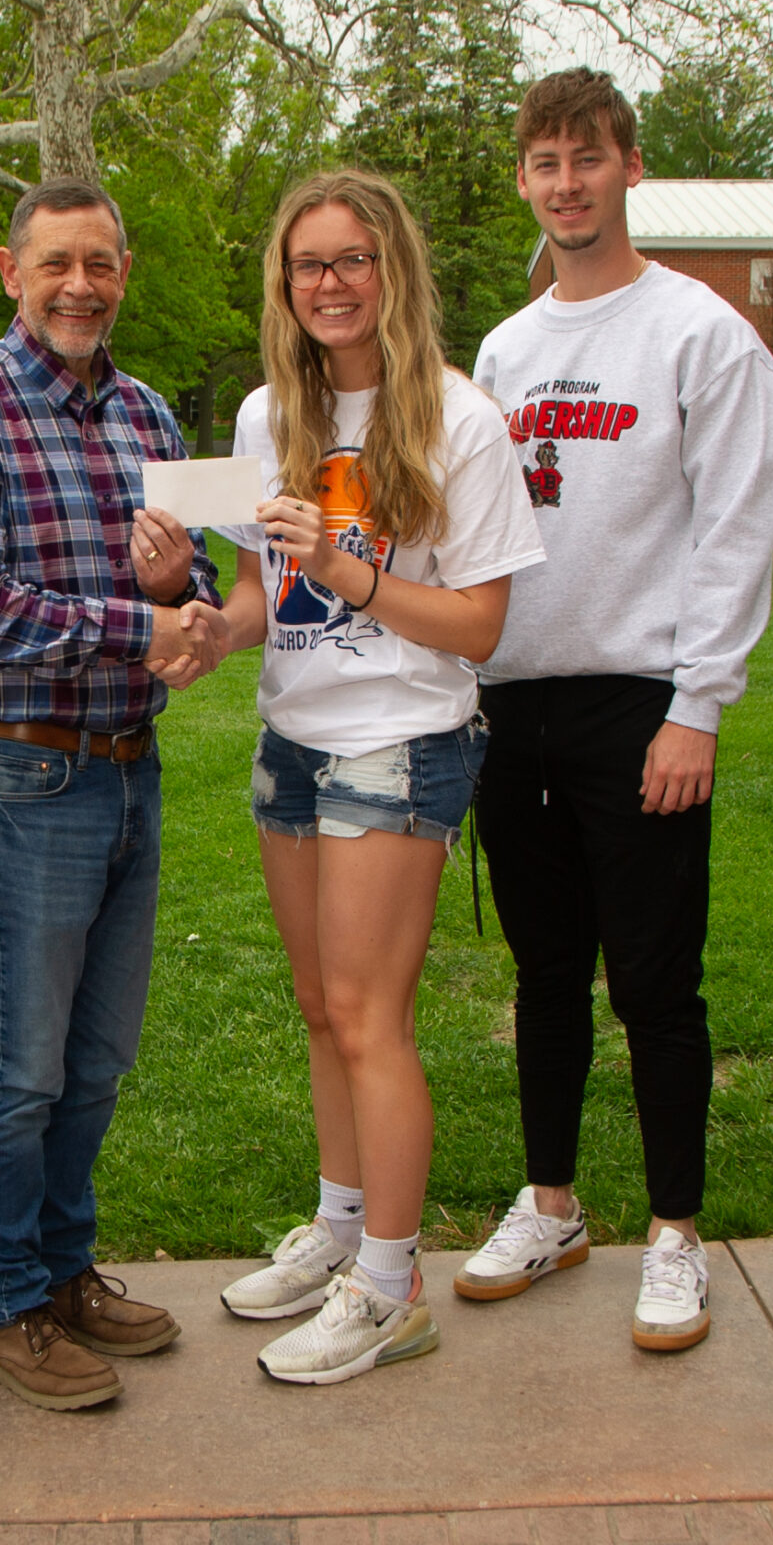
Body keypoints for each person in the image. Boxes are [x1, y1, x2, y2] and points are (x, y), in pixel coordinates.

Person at [461, 67, 773, 1351]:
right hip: (516, 701)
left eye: (586, 157)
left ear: (629, 165)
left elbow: (734, 527)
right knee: (544, 973)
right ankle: (550, 1202)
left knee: (654, 983)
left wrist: (698, 703)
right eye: (544, 161)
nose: (566, 182)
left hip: (641, 704)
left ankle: (675, 1233)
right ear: (522, 179)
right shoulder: (506, 345)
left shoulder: (699, 332)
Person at [0, 176, 230, 1411]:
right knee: (26, 1061)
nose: (79, 284)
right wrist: (132, 626)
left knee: (98, 1059)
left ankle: (65, 1265)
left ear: (123, 273)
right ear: (9, 270)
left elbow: (183, 583)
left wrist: (180, 587)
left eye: (100, 262)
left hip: (129, 770)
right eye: (56, 264)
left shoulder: (145, 414)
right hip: (25, 771)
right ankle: (8, 1305)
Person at [212, 170, 544, 1385]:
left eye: (352, 260)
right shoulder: (267, 418)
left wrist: (351, 572)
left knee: (369, 1017)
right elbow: (261, 597)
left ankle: (391, 1289)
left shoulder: (461, 421)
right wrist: (198, 616)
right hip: (292, 736)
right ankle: (339, 1228)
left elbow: (479, 628)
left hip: (400, 739)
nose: (330, 284)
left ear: (392, 270)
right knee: (318, 1007)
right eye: (308, 265)